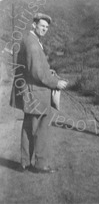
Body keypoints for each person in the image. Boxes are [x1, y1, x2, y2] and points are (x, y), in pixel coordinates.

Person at [10, 13, 68, 173]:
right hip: (37, 94)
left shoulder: (30, 41)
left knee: (28, 129)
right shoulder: (33, 44)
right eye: (42, 25)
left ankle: (24, 163)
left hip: (30, 93)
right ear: (33, 24)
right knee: (41, 130)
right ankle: (40, 165)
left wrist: (48, 71)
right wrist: (56, 82)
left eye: (47, 27)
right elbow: (37, 72)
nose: (45, 29)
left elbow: (34, 68)